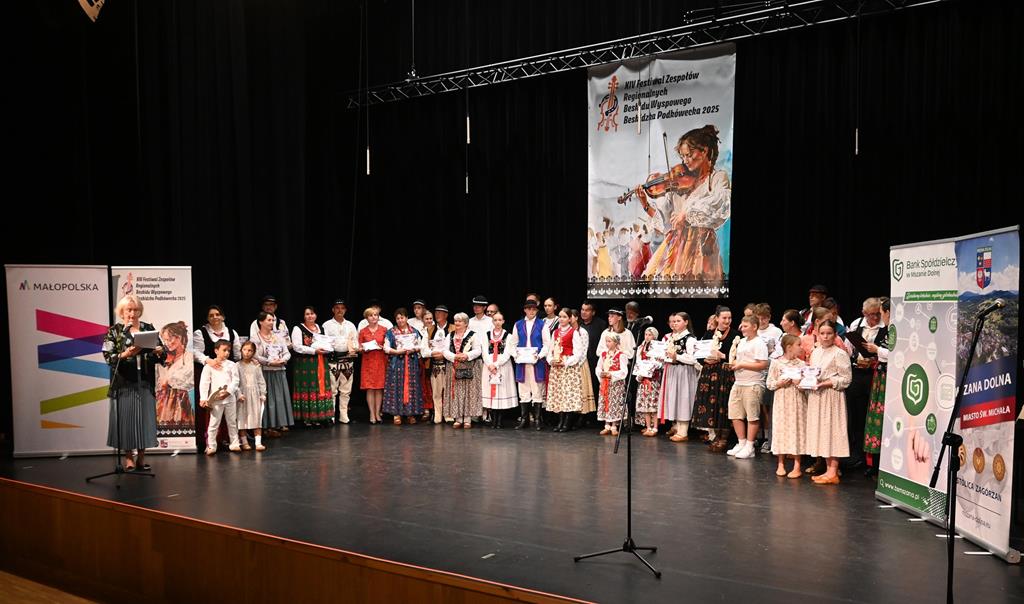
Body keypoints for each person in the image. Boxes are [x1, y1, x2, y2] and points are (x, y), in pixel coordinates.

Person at [640, 125, 730, 282]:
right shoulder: (679, 184)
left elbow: (721, 203)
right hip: (677, 245)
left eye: (688, 155)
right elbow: (665, 222)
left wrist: (686, 214)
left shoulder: (717, 178)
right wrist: (645, 204)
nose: (685, 161)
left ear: (704, 151)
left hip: (701, 246)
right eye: (682, 157)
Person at [103, 294, 160, 471]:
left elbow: (161, 352)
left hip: (145, 380)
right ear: (122, 312)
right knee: (126, 420)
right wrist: (125, 354)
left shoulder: (148, 328)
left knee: (144, 420)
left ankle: (141, 458)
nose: (132, 313)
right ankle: (128, 458)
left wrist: (159, 351)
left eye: (135, 310)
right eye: (129, 310)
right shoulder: (115, 331)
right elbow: (108, 356)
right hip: (124, 381)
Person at [806, 321, 853, 484]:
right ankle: (828, 470)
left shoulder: (839, 353)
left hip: (831, 396)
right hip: (817, 395)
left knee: (833, 431)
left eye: (829, 333)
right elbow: (813, 373)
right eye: (822, 333)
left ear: (835, 335)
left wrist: (826, 383)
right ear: (817, 334)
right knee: (823, 432)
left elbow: (846, 379)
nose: (825, 337)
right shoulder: (816, 352)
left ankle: (833, 472)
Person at [844, 297, 887, 470]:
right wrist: (855, 359)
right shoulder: (857, 324)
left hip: (875, 375)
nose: (875, 318)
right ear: (864, 313)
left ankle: (873, 459)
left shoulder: (885, 327)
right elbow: (848, 348)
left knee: (872, 414)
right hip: (857, 373)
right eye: (871, 314)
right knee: (855, 413)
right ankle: (857, 454)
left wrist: (873, 360)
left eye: (878, 314)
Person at [692, 305, 739, 451]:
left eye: (729, 318)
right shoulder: (709, 334)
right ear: (717, 318)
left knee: (723, 405)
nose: (727, 320)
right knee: (712, 406)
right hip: (709, 374)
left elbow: (737, 356)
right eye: (724, 318)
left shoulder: (735, 335)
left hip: (725, 374)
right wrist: (705, 360)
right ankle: (716, 436)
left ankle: (724, 438)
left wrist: (722, 356)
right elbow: (699, 355)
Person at [193, 305, 241, 449]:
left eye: (217, 314)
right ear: (207, 318)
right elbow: (195, 352)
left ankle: (231, 441)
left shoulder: (231, 332)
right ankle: (211, 443)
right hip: (212, 375)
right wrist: (208, 360)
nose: (215, 317)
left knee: (232, 419)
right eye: (211, 315)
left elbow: (238, 354)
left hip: (229, 377)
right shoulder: (201, 332)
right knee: (213, 418)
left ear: (223, 316)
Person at [725, 315, 770, 459]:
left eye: (745, 326)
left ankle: (750, 446)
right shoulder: (743, 341)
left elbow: (763, 364)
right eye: (742, 326)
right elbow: (740, 360)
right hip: (739, 382)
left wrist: (742, 365)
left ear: (754, 327)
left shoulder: (759, 343)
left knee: (752, 416)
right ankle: (742, 442)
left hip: (753, 384)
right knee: (735, 414)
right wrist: (734, 364)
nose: (742, 328)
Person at [767, 334, 807, 478]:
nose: (801, 348)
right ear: (789, 347)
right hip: (782, 401)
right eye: (798, 345)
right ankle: (780, 463)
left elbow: (807, 386)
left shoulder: (802, 365)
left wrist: (799, 383)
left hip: (797, 401)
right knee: (781, 429)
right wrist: (780, 383)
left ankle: (797, 465)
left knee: (797, 429)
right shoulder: (777, 363)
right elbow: (770, 383)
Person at [861, 297, 891, 477]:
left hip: (888, 379)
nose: (881, 317)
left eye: (881, 314)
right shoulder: (889, 330)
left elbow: (897, 353)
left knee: (884, 418)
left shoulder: (895, 331)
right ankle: (873, 462)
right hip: (880, 377)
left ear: (888, 313)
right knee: (875, 418)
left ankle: (882, 464)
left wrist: (876, 350)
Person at [290, 306, 333, 426]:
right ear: (304, 316)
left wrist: (328, 348)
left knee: (321, 387)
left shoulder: (321, 328)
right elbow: (297, 347)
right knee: (308, 387)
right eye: (307, 314)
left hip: (321, 361)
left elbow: (328, 343)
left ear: (316, 315)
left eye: (312, 313)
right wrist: (314, 351)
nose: (310, 316)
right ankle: (307, 417)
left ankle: (321, 416)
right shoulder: (298, 329)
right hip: (305, 364)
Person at [544, 309, 585, 433]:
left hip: (568, 368)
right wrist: (551, 360)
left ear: (569, 319)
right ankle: (560, 421)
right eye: (560, 317)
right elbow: (550, 349)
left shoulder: (574, 333)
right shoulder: (555, 332)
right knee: (559, 394)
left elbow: (578, 352)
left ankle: (567, 422)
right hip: (557, 367)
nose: (561, 319)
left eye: (564, 317)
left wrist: (566, 362)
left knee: (568, 394)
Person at [660, 312, 699, 442]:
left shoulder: (690, 339)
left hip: (684, 372)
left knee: (683, 398)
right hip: (673, 370)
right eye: (674, 321)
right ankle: (678, 427)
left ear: (686, 322)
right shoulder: (672, 338)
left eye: (678, 321)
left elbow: (692, 358)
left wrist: (677, 357)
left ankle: (684, 431)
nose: (675, 323)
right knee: (675, 398)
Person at [198, 340, 241, 455]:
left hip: (229, 399)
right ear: (216, 351)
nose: (227, 353)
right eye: (224, 350)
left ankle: (234, 443)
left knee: (232, 422)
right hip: (216, 399)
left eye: (229, 351)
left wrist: (229, 392)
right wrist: (203, 398)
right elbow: (204, 382)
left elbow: (236, 380)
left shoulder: (232, 365)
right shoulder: (209, 366)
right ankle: (211, 445)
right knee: (214, 423)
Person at [253, 311, 293, 436]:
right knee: (268, 399)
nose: (271, 322)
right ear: (261, 322)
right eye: (269, 320)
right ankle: (266, 426)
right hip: (265, 372)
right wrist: (269, 362)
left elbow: (287, 352)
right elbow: (255, 355)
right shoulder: (256, 338)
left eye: (272, 320)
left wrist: (283, 360)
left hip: (279, 371)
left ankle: (279, 423)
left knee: (279, 398)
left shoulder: (278, 337)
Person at [382, 308, 424, 425]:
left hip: (411, 363)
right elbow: (386, 348)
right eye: (398, 318)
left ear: (406, 318)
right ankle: (397, 414)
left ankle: (410, 414)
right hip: (397, 363)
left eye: (402, 318)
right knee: (396, 387)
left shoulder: (414, 331)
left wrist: (414, 349)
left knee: (411, 387)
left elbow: (421, 345)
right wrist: (396, 352)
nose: (400, 320)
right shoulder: (391, 332)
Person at [442, 313, 483, 429]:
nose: (457, 323)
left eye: (460, 321)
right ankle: (458, 419)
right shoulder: (450, 335)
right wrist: (454, 356)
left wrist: (466, 355)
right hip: (454, 367)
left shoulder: (473, 335)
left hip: (470, 367)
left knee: (469, 393)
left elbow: (478, 350)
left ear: (466, 323)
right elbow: (444, 350)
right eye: (456, 321)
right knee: (457, 393)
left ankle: (468, 419)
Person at [514, 299, 548, 430]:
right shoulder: (518, 324)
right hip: (522, 363)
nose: (531, 311)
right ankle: (525, 419)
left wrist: (539, 355)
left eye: (534, 309)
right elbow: (513, 343)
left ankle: (538, 419)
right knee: (523, 391)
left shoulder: (542, 324)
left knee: (537, 390)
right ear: (525, 310)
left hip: (536, 362)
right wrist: (516, 355)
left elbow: (547, 344)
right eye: (529, 309)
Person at [155, 321, 195, 433]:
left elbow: (189, 379)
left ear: (179, 337)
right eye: (165, 340)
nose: (167, 343)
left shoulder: (188, 357)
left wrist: (168, 380)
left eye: (169, 339)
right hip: (161, 402)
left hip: (179, 402)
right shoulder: (162, 357)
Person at [323, 299, 358, 424]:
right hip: (333, 359)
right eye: (337, 308)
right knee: (332, 389)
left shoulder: (350, 325)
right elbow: (324, 341)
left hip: (348, 360)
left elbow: (355, 341)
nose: (340, 310)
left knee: (346, 390)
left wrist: (354, 348)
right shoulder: (327, 325)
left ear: (345, 310)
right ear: (333, 310)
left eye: (342, 308)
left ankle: (344, 415)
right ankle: (331, 415)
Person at [481, 312, 518, 428]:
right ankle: (493, 419)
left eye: (499, 320)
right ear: (492, 321)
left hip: (503, 367)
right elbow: (484, 352)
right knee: (490, 392)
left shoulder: (508, 336)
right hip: (489, 367)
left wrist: (496, 364)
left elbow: (507, 353)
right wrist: (490, 364)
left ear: (503, 321)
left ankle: (500, 420)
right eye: (495, 320)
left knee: (501, 392)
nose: (497, 322)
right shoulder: (486, 335)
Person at [358, 307, 388, 424]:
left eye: (376, 315)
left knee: (379, 388)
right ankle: (371, 413)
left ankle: (377, 413)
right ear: (367, 318)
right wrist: (362, 349)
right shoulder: (363, 331)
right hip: (368, 362)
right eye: (371, 315)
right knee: (370, 388)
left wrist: (383, 347)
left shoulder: (384, 330)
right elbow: (359, 347)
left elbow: (388, 345)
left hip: (380, 361)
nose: (374, 317)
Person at [236, 341, 267, 451]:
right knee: (242, 418)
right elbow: (235, 382)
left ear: (253, 352)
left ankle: (258, 443)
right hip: (242, 395)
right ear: (241, 350)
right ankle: (244, 442)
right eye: (244, 350)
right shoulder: (237, 366)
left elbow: (261, 381)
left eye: (250, 350)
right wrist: (238, 394)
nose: (247, 352)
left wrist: (263, 393)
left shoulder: (256, 366)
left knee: (256, 418)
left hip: (255, 395)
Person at [596, 333, 628, 435]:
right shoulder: (603, 354)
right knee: (606, 402)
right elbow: (598, 367)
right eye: (606, 341)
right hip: (605, 383)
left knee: (615, 403)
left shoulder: (621, 355)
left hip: (616, 385)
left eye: (609, 341)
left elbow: (624, 371)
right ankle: (607, 425)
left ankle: (614, 425)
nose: (607, 343)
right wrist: (601, 373)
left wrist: (612, 374)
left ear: (616, 342)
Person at [634, 327, 663, 436]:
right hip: (643, 380)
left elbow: (660, 363)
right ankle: (648, 427)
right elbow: (638, 362)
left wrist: (652, 368)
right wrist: (639, 375)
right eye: (646, 334)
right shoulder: (641, 348)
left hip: (653, 380)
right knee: (645, 406)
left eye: (649, 335)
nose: (647, 337)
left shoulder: (658, 348)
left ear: (654, 336)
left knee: (653, 405)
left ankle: (655, 427)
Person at [426, 304, 453, 423]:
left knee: (448, 390)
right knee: (436, 391)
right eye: (436, 312)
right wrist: (431, 353)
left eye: (440, 313)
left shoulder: (452, 328)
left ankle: (448, 414)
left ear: (446, 315)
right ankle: (438, 414)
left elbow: (455, 346)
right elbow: (424, 347)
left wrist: (445, 354)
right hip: (435, 364)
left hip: (448, 364)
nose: (437, 315)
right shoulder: (430, 329)